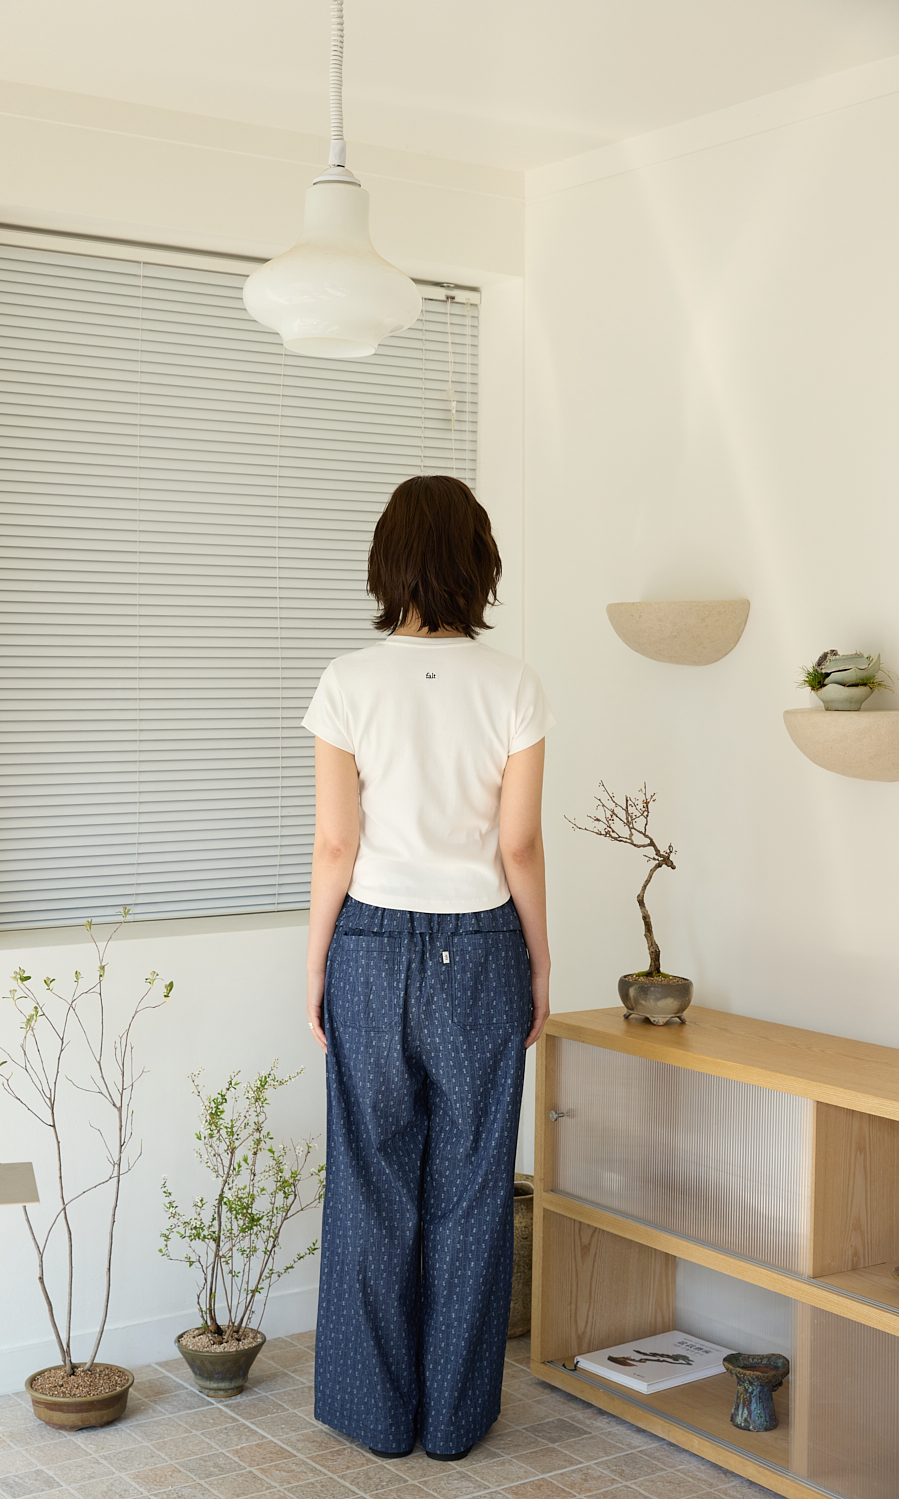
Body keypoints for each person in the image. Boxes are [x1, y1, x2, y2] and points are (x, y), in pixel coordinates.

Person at [301, 474, 554, 1462]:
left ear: (388, 561)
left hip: (369, 944)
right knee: (474, 1184)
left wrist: (317, 962)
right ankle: (453, 1420)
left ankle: (376, 1416)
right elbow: (518, 844)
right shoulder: (514, 684)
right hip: (483, 946)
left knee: (370, 1182)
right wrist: (540, 959)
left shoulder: (347, 681)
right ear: (478, 562)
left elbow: (335, 843)